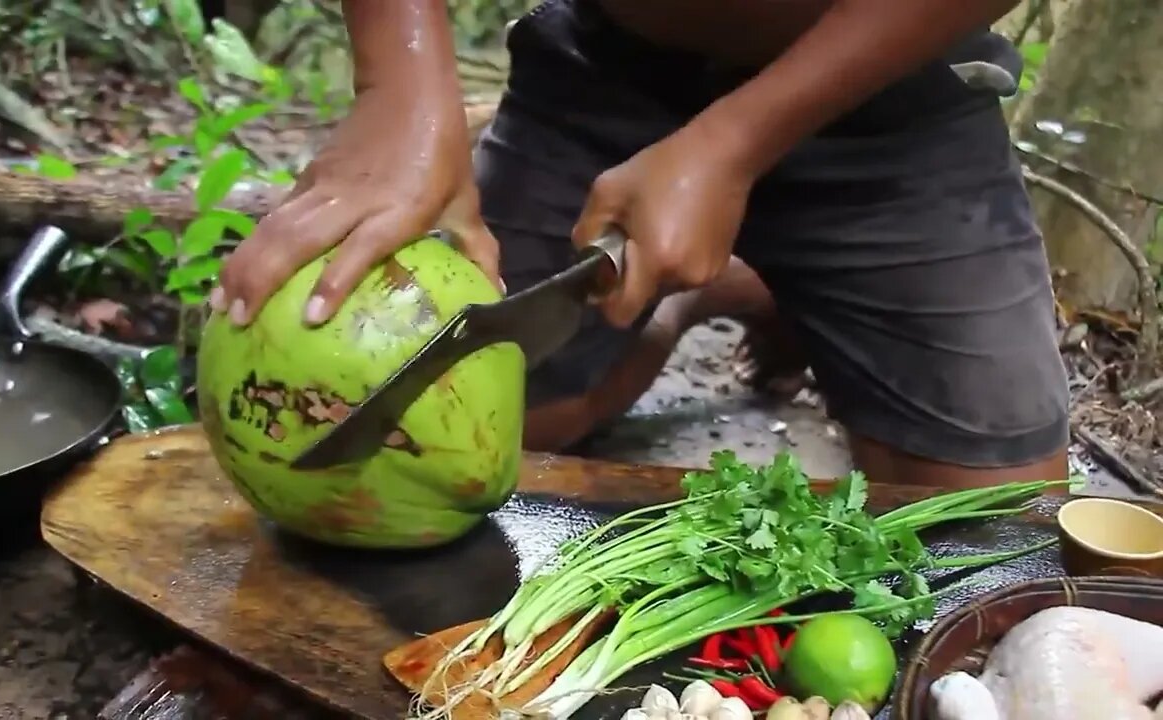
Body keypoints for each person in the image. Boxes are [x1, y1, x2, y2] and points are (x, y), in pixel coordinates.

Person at [212, 0, 1070, 489]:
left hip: (895, 81)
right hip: (607, 68)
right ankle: (702, 290)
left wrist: (734, 144)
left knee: (996, 529)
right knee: (476, 441)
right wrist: (398, 81)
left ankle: (746, 281)